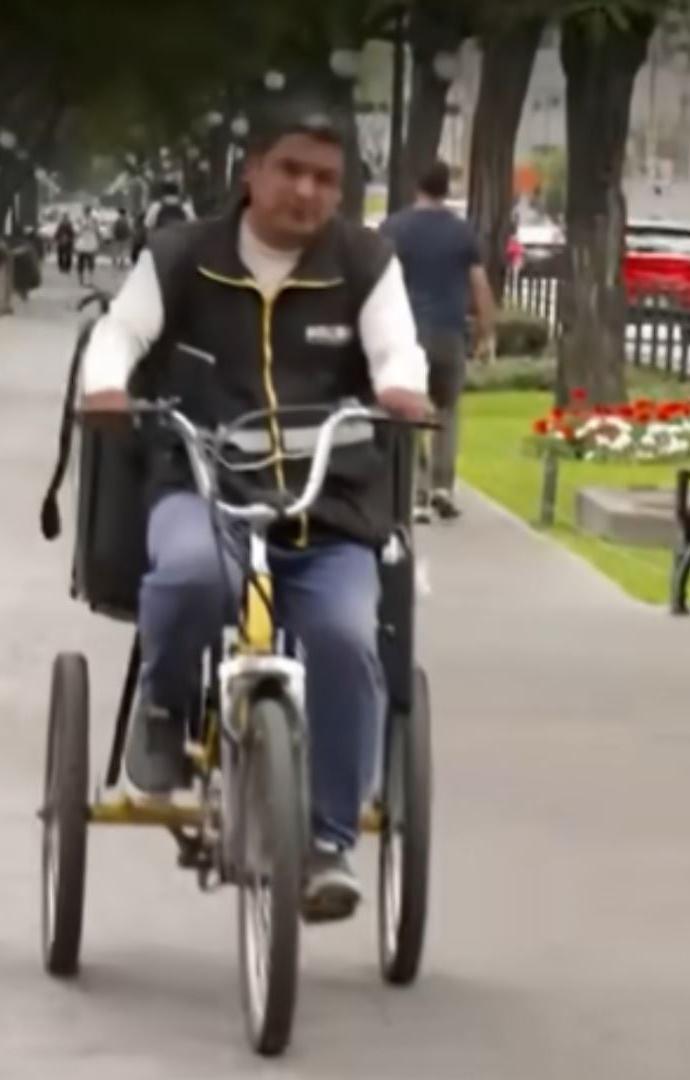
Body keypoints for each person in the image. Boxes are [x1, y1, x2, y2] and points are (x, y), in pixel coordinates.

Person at [79, 98, 430, 923]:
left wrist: (400, 388)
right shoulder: (181, 255)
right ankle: (165, 709)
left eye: (326, 179)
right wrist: (105, 384)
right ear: (252, 172)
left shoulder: (366, 262)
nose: (307, 192)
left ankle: (329, 842)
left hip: (329, 503)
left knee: (346, 637)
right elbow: (121, 333)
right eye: (290, 171)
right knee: (191, 577)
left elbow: (398, 346)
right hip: (202, 486)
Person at [380, 160, 496, 523]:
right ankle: (443, 486)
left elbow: (377, 280)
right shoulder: (461, 233)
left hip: (406, 334)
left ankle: (416, 491)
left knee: (406, 411)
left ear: (417, 186)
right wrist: (486, 333)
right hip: (449, 332)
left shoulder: (394, 228)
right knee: (447, 409)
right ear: (447, 189)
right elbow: (479, 285)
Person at [73, 214, 100, 283]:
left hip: (82, 247)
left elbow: (76, 234)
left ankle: (81, 278)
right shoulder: (93, 226)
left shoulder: (81, 226)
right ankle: (89, 279)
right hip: (90, 247)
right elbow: (98, 234)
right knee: (90, 264)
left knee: (81, 263)